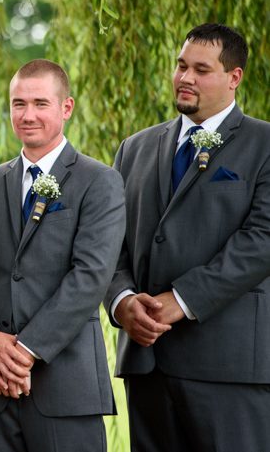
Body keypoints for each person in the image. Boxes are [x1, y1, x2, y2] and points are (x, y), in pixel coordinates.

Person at [104, 23, 270, 451]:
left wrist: (179, 300)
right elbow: (106, 243)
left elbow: (260, 242)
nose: (185, 78)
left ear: (233, 78)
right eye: (181, 66)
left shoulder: (263, 144)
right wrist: (122, 302)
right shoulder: (133, 148)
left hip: (228, 365)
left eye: (201, 69)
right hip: (147, 361)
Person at [0, 59, 125, 452]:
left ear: (66, 108)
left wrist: (24, 352)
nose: (27, 115)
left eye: (40, 103)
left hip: (68, 387)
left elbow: (90, 276)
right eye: (18, 104)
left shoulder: (99, 181)